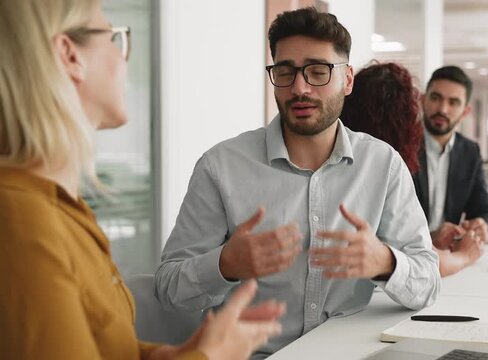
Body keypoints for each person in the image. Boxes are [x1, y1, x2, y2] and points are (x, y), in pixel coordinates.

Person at [0, 1, 284, 359]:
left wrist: (168, 354)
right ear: (70, 56)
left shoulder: (60, 208)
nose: (124, 58)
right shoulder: (22, 222)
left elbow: (99, 348)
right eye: (115, 38)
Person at [155, 7, 439, 358]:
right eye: (285, 72)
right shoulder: (221, 167)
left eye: (318, 71)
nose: (299, 88)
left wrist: (385, 261)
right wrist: (224, 264)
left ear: (348, 80)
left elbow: (428, 282)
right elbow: (168, 288)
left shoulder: (383, 165)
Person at [341, 62, 483, 277]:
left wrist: (428, 239)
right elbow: (424, 267)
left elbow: (399, 244)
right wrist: (466, 255)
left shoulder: (349, 151)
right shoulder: (386, 163)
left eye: (453, 102)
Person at [413, 66, 488, 258]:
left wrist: (484, 227)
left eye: (453, 102)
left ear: (465, 111)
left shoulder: (469, 152)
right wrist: (430, 238)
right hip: (407, 257)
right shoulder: (400, 145)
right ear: (423, 100)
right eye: (436, 98)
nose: (442, 109)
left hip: (448, 256)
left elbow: (484, 209)